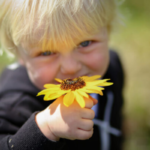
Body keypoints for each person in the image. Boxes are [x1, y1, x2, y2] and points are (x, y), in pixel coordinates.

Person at [0, 0, 124, 150]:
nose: (71, 68)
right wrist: (45, 129)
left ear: (108, 31)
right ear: (19, 55)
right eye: (47, 52)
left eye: (85, 43)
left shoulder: (112, 68)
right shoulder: (15, 103)